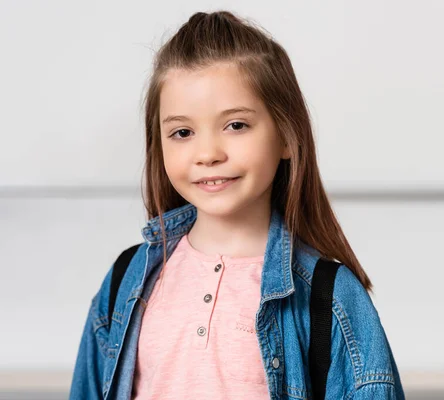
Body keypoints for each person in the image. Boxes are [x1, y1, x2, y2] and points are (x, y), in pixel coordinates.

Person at [69, 10, 405, 400]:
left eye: (236, 125)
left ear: (287, 137)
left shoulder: (331, 298)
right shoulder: (126, 280)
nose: (208, 153)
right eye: (182, 132)